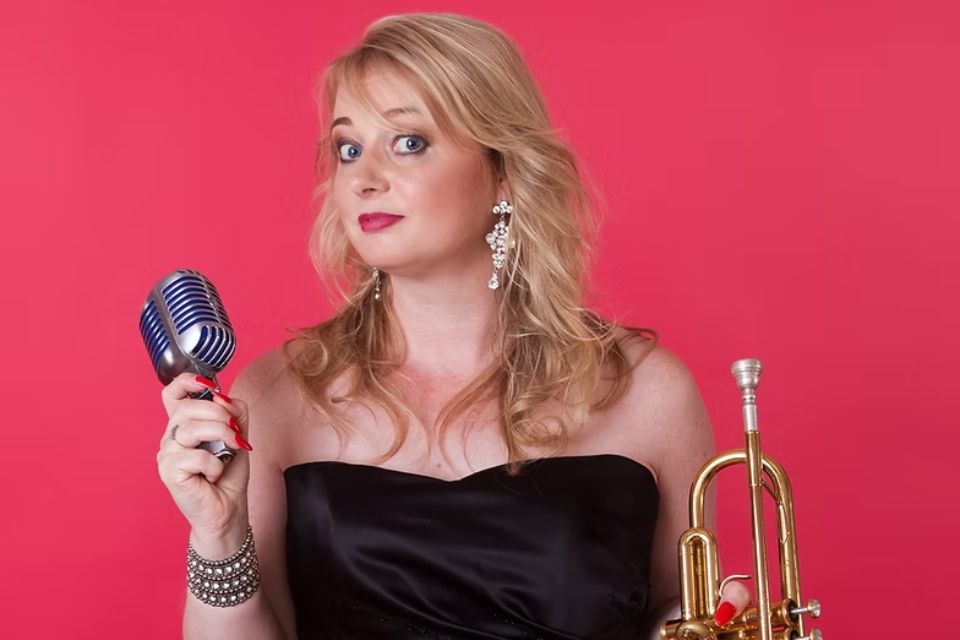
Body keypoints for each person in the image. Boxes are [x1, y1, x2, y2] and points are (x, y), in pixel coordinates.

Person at [156, 12, 752, 640]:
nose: (365, 179)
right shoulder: (275, 395)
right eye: (348, 148)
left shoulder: (648, 392)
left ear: (503, 171)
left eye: (408, 142)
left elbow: (670, 610)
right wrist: (219, 539)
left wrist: (707, 627)